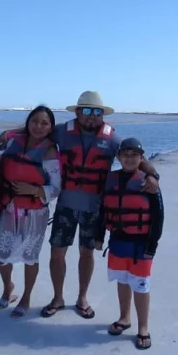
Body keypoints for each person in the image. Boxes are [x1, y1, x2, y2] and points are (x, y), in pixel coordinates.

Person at [38, 91, 160, 319]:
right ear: (77, 112)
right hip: (65, 205)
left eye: (97, 112)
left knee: (87, 254)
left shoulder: (112, 139)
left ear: (102, 114)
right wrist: (9, 134)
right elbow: (35, 132)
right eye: (86, 111)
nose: (91, 116)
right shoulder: (62, 132)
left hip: (94, 209)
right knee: (57, 253)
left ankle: (82, 298)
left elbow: (136, 158)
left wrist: (154, 176)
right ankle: (57, 297)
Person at [0, 106, 61, 317]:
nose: (38, 127)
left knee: (30, 256)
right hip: (9, 207)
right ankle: (7, 288)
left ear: (51, 127)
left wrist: (35, 190)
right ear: (27, 123)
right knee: (2, 254)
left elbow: (56, 187)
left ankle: (27, 297)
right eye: (35, 121)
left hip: (35, 213)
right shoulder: (12, 141)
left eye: (44, 123)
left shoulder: (50, 151)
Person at [96, 137, 164, 350]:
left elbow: (158, 215)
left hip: (141, 244)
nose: (129, 158)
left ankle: (143, 327)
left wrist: (152, 245)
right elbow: (102, 211)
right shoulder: (111, 179)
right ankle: (124, 318)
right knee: (122, 281)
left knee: (141, 286)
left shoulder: (148, 182)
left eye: (134, 155)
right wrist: (99, 237)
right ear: (118, 157)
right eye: (125, 154)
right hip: (117, 241)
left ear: (141, 158)